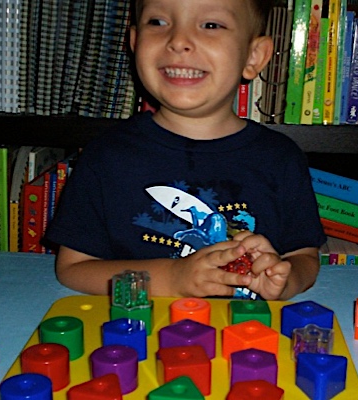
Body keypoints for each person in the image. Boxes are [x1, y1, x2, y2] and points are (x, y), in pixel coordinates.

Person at [45, 0, 326, 301]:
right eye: (158, 22)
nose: (178, 41)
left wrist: (284, 280)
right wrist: (172, 279)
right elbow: (73, 268)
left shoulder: (281, 158)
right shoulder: (105, 157)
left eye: (211, 25)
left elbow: (305, 258)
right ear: (135, 41)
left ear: (253, 56)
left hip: (248, 337)